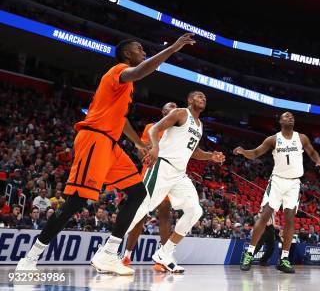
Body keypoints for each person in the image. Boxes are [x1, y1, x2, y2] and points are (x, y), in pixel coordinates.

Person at [16, 33, 196, 274]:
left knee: (138, 192)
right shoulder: (118, 71)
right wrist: (173, 48)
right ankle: (31, 257)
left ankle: (109, 254)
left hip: (110, 144)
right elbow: (142, 70)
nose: (143, 51)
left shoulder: (125, 87)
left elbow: (120, 120)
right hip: (94, 139)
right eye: (139, 49)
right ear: (127, 55)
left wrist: (139, 144)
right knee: (76, 201)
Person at [124, 91, 225, 273]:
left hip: (179, 174)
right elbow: (153, 130)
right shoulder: (180, 113)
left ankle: (164, 253)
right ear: (189, 100)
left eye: (205, 97)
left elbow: (194, 151)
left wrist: (212, 156)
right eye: (199, 96)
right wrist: (155, 147)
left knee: (195, 210)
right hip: (162, 167)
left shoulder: (200, 125)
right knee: (141, 210)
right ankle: (110, 250)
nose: (203, 98)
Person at [234, 112, 320, 274]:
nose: (290, 117)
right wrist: (243, 151)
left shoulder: (302, 138)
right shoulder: (273, 139)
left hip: (294, 183)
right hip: (277, 181)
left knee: (290, 220)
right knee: (264, 216)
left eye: (291, 116)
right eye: (286, 116)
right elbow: (255, 153)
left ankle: (283, 259)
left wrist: (318, 161)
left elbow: (312, 152)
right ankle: (249, 254)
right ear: (280, 121)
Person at [122, 102, 177, 268]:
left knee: (165, 214)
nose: (174, 106)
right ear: (163, 111)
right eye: (169, 105)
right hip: (149, 173)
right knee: (140, 215)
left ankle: (162, 258)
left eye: (176, 106)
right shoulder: (151, 127)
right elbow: (142, 149)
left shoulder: (178, 132)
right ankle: (126, 256)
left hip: (168, 176)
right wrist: (144, 155)